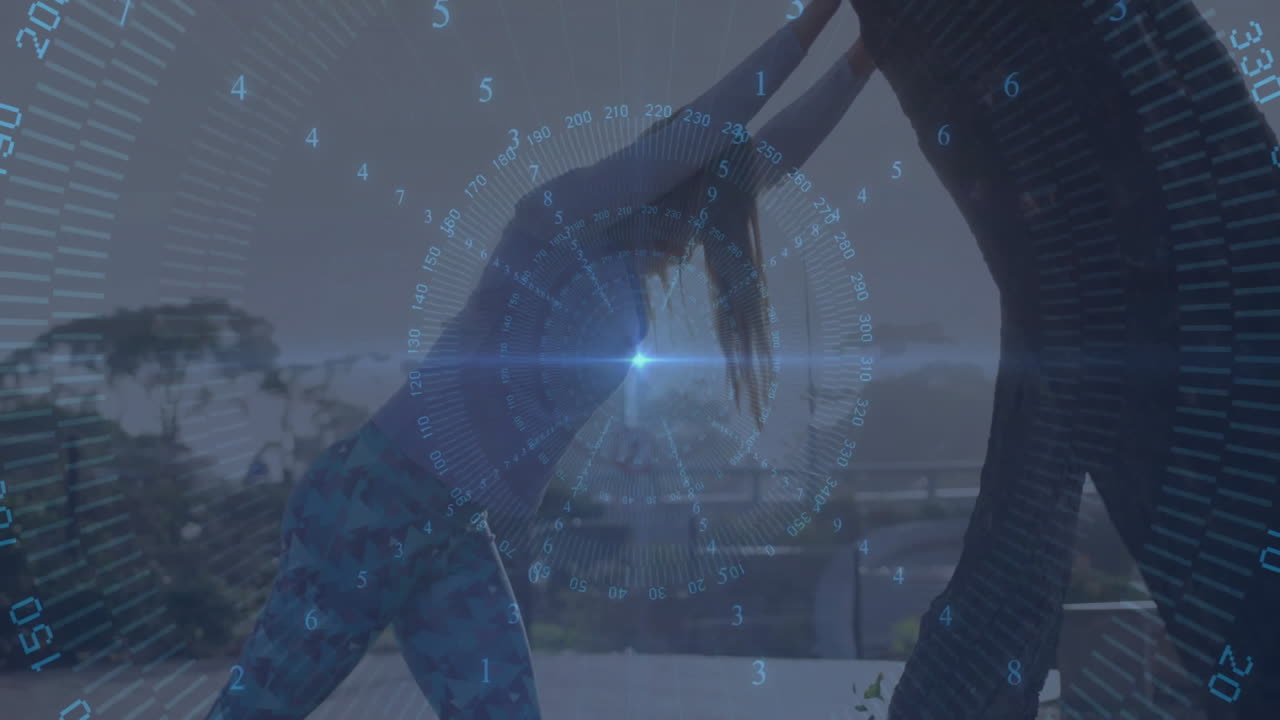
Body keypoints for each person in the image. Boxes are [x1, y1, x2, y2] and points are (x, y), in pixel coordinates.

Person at [203, 4, 875, 718]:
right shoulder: (558, 217)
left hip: (455, 525)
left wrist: (871, 53)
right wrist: (821, 14)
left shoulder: (635, 271)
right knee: (262, 709)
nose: (700, 229)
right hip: (376, 501)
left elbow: (767, 158)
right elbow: (719, 118)